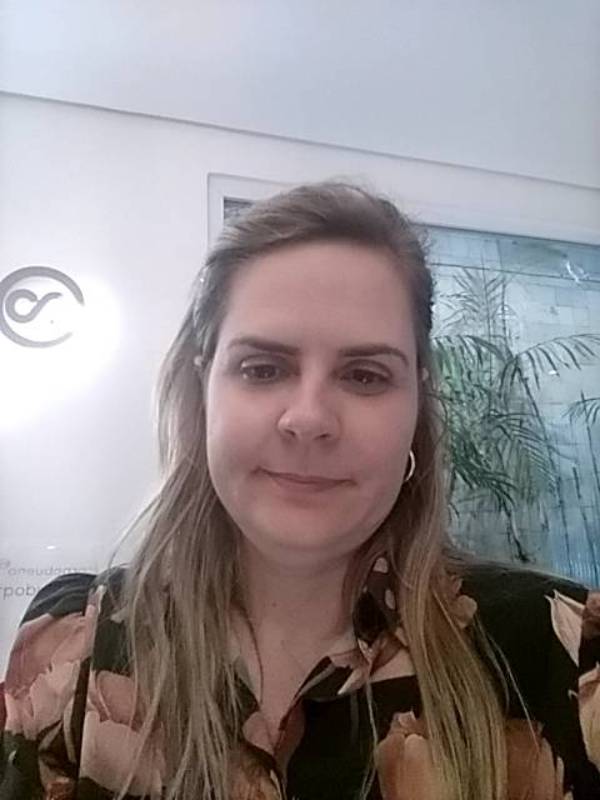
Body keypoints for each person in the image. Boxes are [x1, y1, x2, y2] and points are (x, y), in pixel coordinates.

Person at [0, 182, 599, 800]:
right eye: (263, 368)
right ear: (203, 390)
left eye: (364, 375)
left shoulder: (571, 655)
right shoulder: (71, 649)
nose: (308, 418)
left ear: (417, 404)